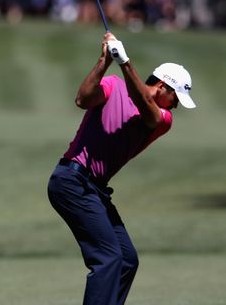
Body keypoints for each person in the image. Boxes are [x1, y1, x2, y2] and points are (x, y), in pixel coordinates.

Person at [47, 32, 196, 305]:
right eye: (176, 96)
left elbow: (146, 109)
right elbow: (82, 99)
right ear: (162, 86)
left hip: (93, 189)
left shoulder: (163, 119)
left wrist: (125, 62)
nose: (176, 105)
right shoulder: (113, 86)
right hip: (71, 180)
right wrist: (105, 61)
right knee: (108, 258)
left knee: (127, 260)